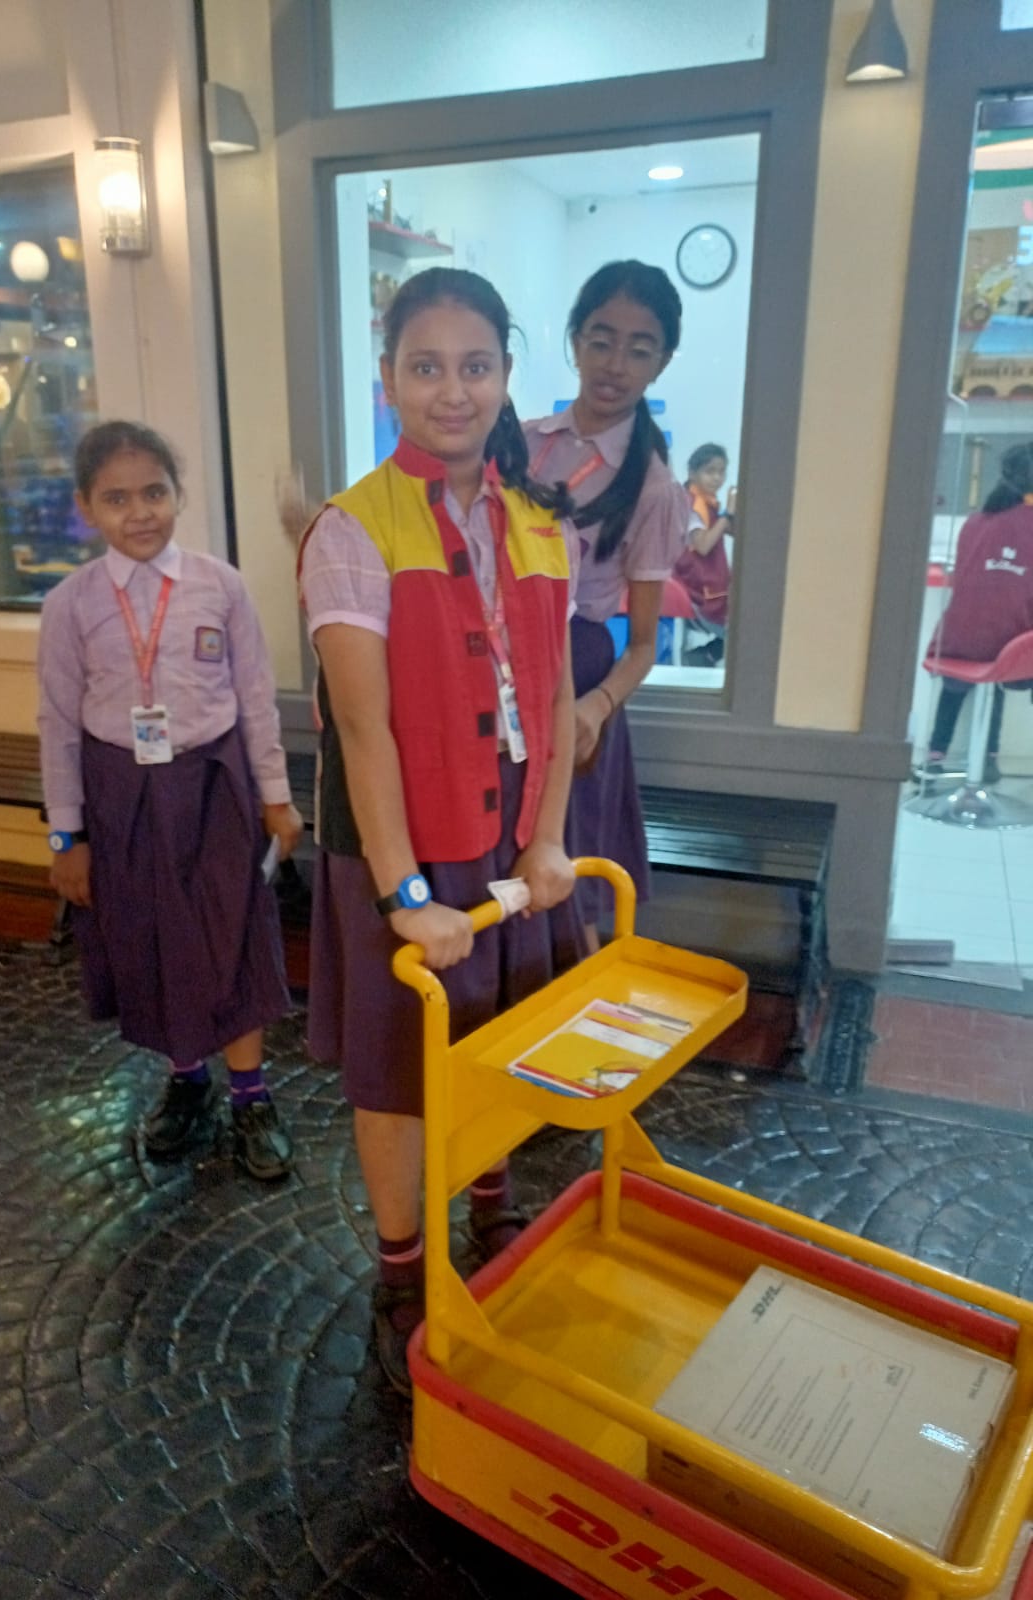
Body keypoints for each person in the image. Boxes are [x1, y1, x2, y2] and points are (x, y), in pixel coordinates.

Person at [297, 268, 584, 1395]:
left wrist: (548, 837)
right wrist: (404, 895)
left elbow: (553, 693)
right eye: (426, 366)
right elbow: (362, 733)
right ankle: (400, 1268)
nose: (451, 390)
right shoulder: (352, 527)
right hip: (398, 838)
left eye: (475, 366)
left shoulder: (541, 521)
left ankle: (492, 1210)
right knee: (396, 1065)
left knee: (498, 1032)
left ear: (507, 377)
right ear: (389, 378)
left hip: (508, 826)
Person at [37, 420, 301, 1178]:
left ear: (180, 494)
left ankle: (250, 1093)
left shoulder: (221, 586)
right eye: (116, 498)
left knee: (232, 932)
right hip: (120, 794)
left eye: (154, 492)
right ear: (87, 508)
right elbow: (57, 723)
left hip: (215, 784)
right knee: (155, 938)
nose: (140, 512)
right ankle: (187, 1079)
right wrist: (66, 837)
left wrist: (276, 796)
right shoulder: (70, 604)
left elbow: (255, 698)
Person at [524, 260, 688, 946]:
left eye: (639, 349)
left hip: (578, 671)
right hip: (498, 662)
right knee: (500, 859)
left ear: (662, 362)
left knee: (570, 878)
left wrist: (595, 707)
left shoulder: (652, 486)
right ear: (575, 340)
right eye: (601, 340)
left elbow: (643, 644)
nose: (616, 364)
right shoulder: (523, 443)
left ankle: (586, 1005)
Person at [916, 441, 1033, 785]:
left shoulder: (977, 520)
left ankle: (937, 755)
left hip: (953, 642)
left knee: (985, 666)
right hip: (1009, 650)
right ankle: (988, 758)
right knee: (1001, 657)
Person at [674, 442, 734, 667]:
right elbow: (703, 545)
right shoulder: (694, 504)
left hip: (709, 587)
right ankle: (703, 656)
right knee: (743, 625)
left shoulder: (708, 504)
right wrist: (727, 515)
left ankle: (704, 656)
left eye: (721, 472)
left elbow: (730, 530)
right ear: (692, 473)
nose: (717, 478)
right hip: (698, 591)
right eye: (710, 471)